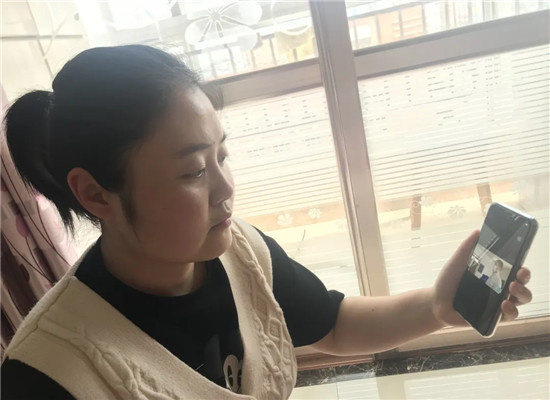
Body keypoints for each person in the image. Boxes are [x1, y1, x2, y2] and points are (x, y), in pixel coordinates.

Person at [1, 45, 533, 399]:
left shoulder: (241, 253)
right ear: (95, 193)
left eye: (222, 156)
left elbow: (333, 323)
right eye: (193, 171)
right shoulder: (47, 373)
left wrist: (437, 306)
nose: (226, 189)